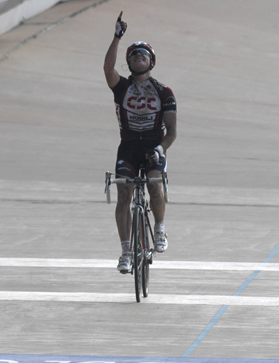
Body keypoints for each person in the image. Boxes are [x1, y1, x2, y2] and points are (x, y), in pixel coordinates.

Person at [103, 11, 177, 273]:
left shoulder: (164, 92)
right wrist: (116, 37)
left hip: (154, 147)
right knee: (124, 194)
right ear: (129, 62)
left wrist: (160, 149)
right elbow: (108, 69)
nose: (138, 57)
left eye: (143, 54)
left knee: (155, 186)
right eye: (134, 55)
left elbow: (172, 133)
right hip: (129, 147)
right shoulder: (121, 87)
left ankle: (160, 229)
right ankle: (125, 250)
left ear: (151, 62)